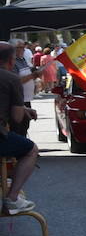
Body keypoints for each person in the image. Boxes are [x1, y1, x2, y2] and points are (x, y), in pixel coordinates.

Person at [0, 42, 40, 213]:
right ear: (11, 60)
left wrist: (22, 107)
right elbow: (16, 119)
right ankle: (12, 198)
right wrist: (21, 109)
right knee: (31, 149)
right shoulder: (11, 79)